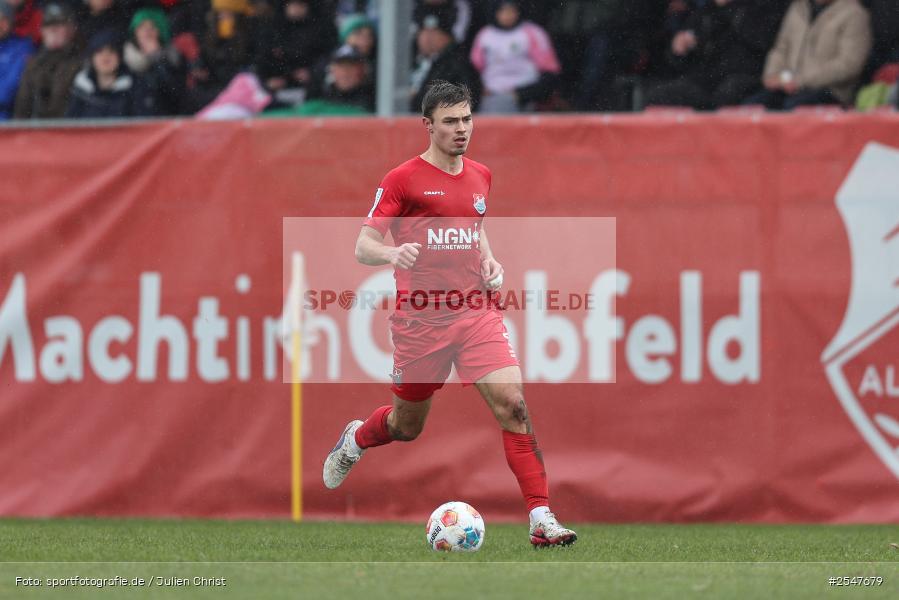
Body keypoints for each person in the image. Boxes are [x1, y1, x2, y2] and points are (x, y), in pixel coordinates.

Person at [323, 80, 578, 548]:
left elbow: (474, 230)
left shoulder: (481, 174)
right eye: (450, 122)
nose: (461, 129)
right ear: (428, 126)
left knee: (514, 406)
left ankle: (541, 519)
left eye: (466, 119)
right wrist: (391, 255)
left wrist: (490, 262)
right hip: (421, 321)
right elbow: (363, 245)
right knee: (406, 427)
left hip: (475, 310)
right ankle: (357, 439)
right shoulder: (401, 179)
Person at [644, 0, 788, 110]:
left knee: (727, 94)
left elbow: (764, 41)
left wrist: (733, 7)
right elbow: (681, 59)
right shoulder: (708, 10)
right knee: (659, 95)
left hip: (748, 76)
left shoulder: (766, 5)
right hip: (708, 78)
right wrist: (678, 49)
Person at [745, 0, 872, 110]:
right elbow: (781, 47)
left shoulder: (854, 14)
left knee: (793, 109)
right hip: (789, 86)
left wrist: (800, 81)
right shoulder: (798, 8)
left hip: (831, 91)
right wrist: (772, 75)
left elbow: (849, 65)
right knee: (755, 106)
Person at [469, 0, 561, 113]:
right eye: (503, 11)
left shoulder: (532, 32)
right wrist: (480, 90)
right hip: (491, 95)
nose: (507, 16)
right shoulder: (485, 35)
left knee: (504, 105)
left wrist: (522, 94)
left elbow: (550, 71)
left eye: (511, 11)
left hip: (524, 96)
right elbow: (475, 67)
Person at [13, 2, 81, 119]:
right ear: (42, 31)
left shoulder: (82, 62)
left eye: (59, 25)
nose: (53, 30)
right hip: (34, 133)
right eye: (48, 26)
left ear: (71, 29)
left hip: (67, 133)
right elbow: (22, 108)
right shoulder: (33, 64)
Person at [409, 10, 480, 112]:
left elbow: (466, 100)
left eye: (434, 33)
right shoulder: (409, 58)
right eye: (423, 33)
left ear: (447, 37)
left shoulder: (458, 63)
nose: (427, 39)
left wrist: (418, 99)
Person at [66, 28, 146, 118]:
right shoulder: (80, 89)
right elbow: (70, 125)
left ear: (119, 57)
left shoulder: (134, 87)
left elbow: (141, 125)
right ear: (92, 58)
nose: (105, 56)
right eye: (99, 51)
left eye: (111, 51)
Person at [123, 7, 186, 115]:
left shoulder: (174, 58)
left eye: (152, 27)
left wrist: (157, 57)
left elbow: (176, 93)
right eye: (142, 27)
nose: (147, 32)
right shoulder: (124, 59)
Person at [0, 1, 34, 120]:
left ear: (11, 22)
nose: (0, 24)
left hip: (8, 119)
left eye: (4, 19)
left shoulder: (23, 46)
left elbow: (8, 92)